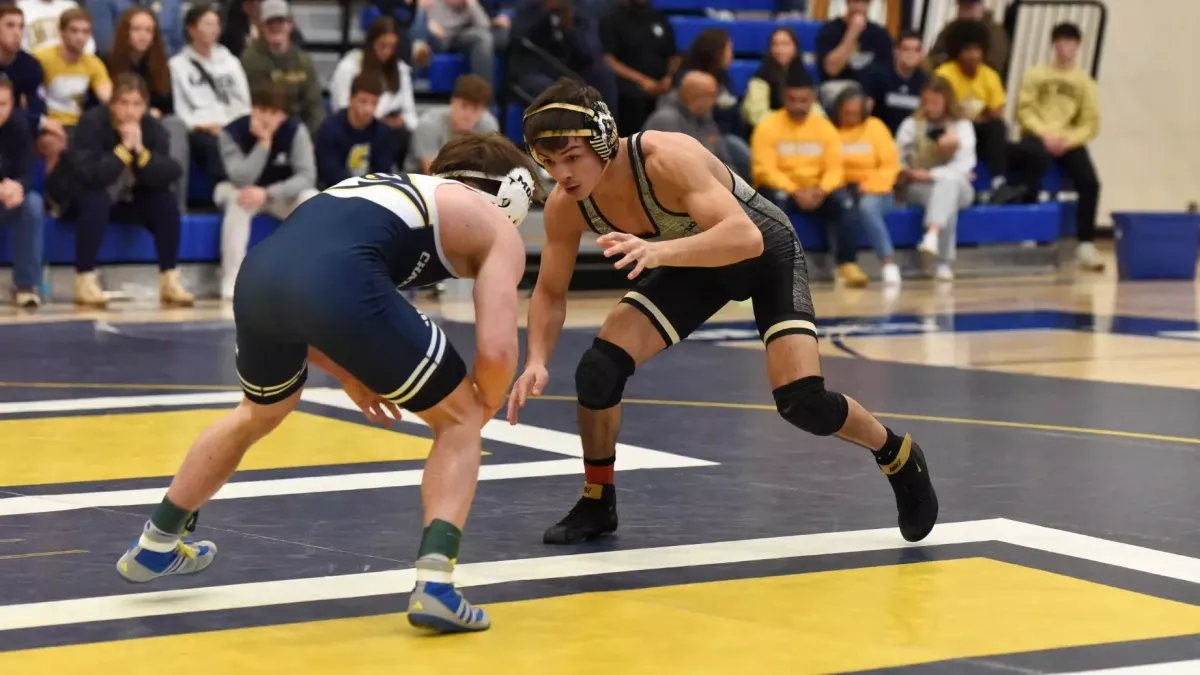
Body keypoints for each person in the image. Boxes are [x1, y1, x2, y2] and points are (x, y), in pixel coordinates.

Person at [114, 132, 542, 635]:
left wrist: (350, 369)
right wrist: (479, 407)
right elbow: (495, 352)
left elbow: (303, 277)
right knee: (461, 420)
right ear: (512, 192)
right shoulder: (497, 227)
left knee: (260, 410)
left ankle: (158, 541)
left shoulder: (381, 188)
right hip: (339, 282)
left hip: (259, 278)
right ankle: (436, 585)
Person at [507, 78, 939, 546]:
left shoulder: (666, 159)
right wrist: (535, 360)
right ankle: (597, 499)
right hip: (695, 261)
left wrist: (659, 254)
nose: (563, 175)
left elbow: (745, 237)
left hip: (762, 252)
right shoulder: (565, 206)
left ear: (604, 141)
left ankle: (897, 454)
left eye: (572, 159)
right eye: (549, 163)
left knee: (802, 402)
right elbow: (550, 291)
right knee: (598, 371)